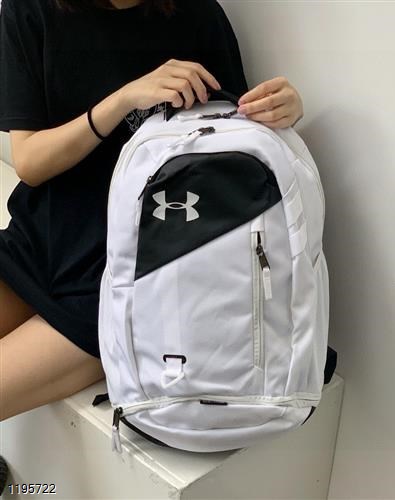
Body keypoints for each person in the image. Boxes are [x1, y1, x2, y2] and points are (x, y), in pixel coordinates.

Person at [0, 0, 304, 434]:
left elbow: (230, 141)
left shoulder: (197, 14)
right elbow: (30, 161)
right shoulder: (30, 10)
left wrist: (280, 113)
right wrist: (122, 100)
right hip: (37, 242)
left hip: (127, 276)